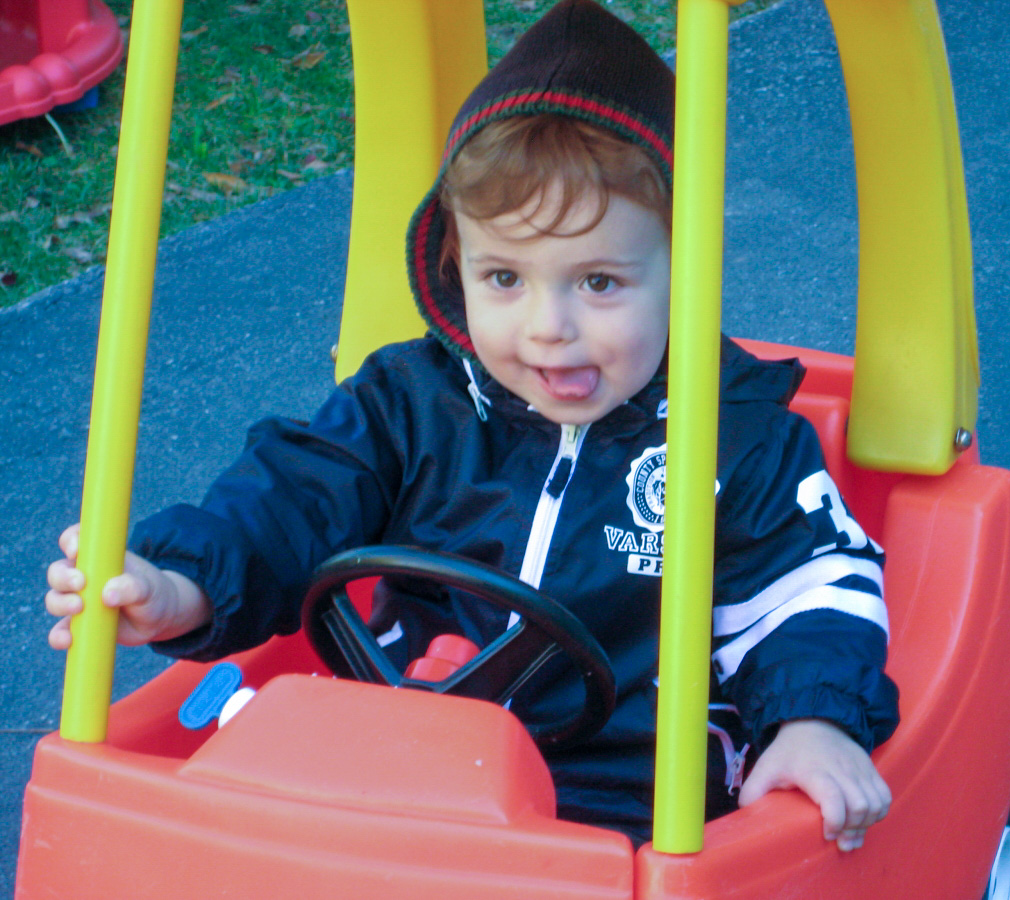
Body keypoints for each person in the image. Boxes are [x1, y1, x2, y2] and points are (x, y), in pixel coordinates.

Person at [45, 0, 897, 851]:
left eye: (599, 282)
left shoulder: (737, 437)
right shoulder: (413, 404)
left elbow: (807, 589)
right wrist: (181, 585)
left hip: (627, 800)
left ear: (683, 269)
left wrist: (814, 722)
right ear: (455, 263)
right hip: (408, 755)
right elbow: (293, 500)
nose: (548, 328)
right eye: (505, 279)